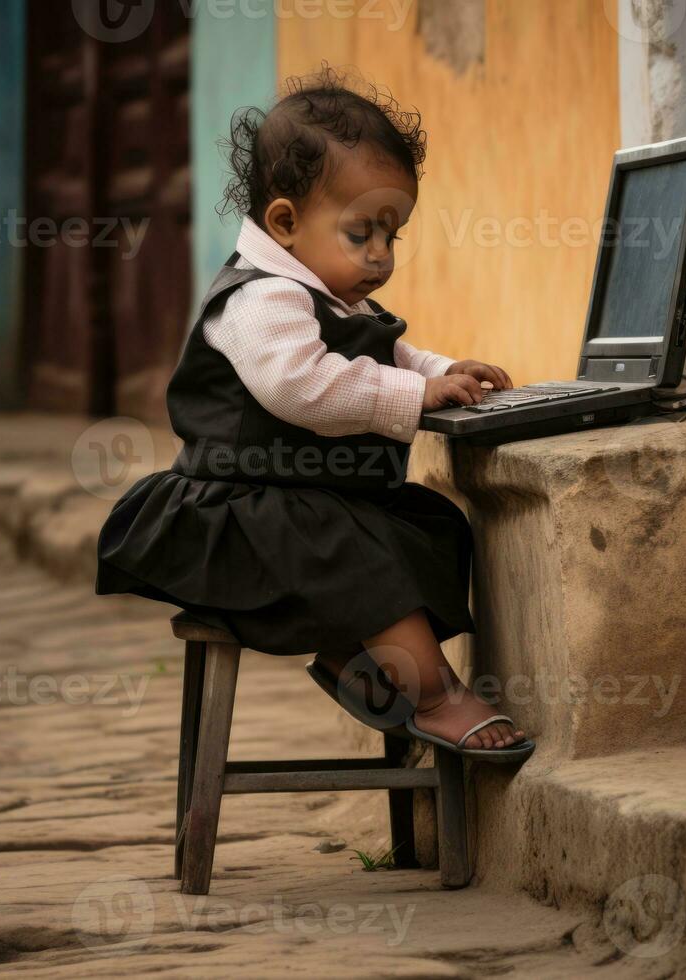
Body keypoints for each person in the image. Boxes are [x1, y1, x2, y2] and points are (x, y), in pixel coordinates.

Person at [97, 69, 532, 759]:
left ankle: (349, 656)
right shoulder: (261, 300)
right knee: (356, 549)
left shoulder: (325, 292)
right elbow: (300, 388)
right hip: (243, 513)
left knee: (428, 524)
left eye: (394, 234)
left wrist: (440, 371)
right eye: (362, 233)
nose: (382, 255)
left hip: (299, 503)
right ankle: (432, 694)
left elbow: (387, 351)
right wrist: (414, 397)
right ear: (285, 222)